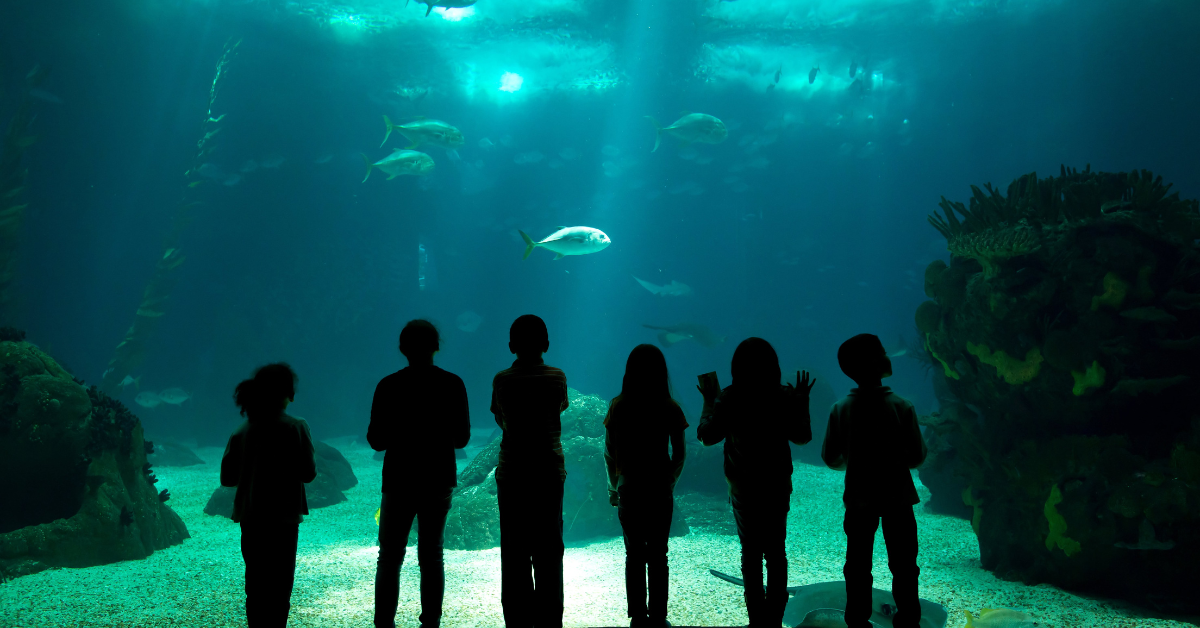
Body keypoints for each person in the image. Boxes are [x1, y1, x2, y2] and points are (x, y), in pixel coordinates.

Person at [697, 338, 813, 628]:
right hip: (775, 485)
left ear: (736, 367)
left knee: (750, 552)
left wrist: (709, 401)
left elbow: (706, 436)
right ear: (773, 366)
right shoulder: (783, 396)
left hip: (743, 487)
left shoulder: (730, 397)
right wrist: (802, 401)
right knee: (776, 551)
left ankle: (757, 621)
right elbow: (802, 437)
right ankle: (774, 620)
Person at [367, 319, 471, 628]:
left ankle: (384, 623)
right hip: (438, 476)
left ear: (402, 349)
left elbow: (376, 440)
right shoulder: (453, 383)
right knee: (432, 553)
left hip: (399, 477)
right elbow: (462, 439)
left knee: (389, 556)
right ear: (437, 346)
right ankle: (431, 624)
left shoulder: (388, 385)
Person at [822, 333, 928, 628]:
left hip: (858, 498)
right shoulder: (902, 406)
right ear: (873, 363)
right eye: (882, 352)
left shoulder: (841, 408)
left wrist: (855, 461)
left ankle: (857, 621)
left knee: (857, 566)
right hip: (898, 497)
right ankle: (908, 622)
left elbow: (831, 458)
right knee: (905, 566)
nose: (887, 356)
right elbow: (917, 456)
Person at [220, 363, 317, 628]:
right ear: (289, 394)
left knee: (256, 585)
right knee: (280, 587)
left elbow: (227, 479)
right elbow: (308, 473)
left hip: (251, 518)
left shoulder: (241, 430)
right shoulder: (296, 426)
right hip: (284, 519)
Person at [490, 314, 570, 628]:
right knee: (550, 550)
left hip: (513, 473)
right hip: (549, 472)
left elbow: (501, 418)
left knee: (514, 552)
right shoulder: (557, 376)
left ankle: (518, 625)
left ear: (511, 345)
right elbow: (559, 408)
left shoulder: (502, 380)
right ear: (547, 344)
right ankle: (551, 624)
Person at [603, 344, 688, 628]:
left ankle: (638, 616)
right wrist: (670, 482)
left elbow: (610, 453)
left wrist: (614, 486)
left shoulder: (618, 405)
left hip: (629, 489)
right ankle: (660, 616)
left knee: (634, 555)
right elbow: (679, 454)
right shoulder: (670, 407)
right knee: (658, 554)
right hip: (659, 489)